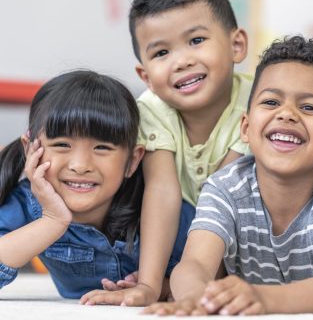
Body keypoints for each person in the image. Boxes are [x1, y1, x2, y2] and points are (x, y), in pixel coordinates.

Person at [143, 36, 313, 316]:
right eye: (271, 102)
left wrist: (262, 299)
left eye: (309, 107)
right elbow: (194, 264)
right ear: (245, 127)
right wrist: (198, 298)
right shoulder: (225, 186)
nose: (287, 114)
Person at [84, 0, 253, 306]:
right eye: (161, 53)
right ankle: (162, 280)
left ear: (236, 45)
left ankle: (197, 280)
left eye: (196, 40)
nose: (182, 61)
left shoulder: (257, 101)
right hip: (179, 228)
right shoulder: (151, 109)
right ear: (145, 75)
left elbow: (226, 194)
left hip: (245, 223)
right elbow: (162, 192)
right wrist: (147, 285)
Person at [0, 70, 192, 300]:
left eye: (102, 148)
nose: (81, 165)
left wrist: (166, 287)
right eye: (62, 144)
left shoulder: (161, 211)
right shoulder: (25, 203)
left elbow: (216, 269)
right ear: (30, 148)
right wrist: (53, 221)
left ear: (132, 160)